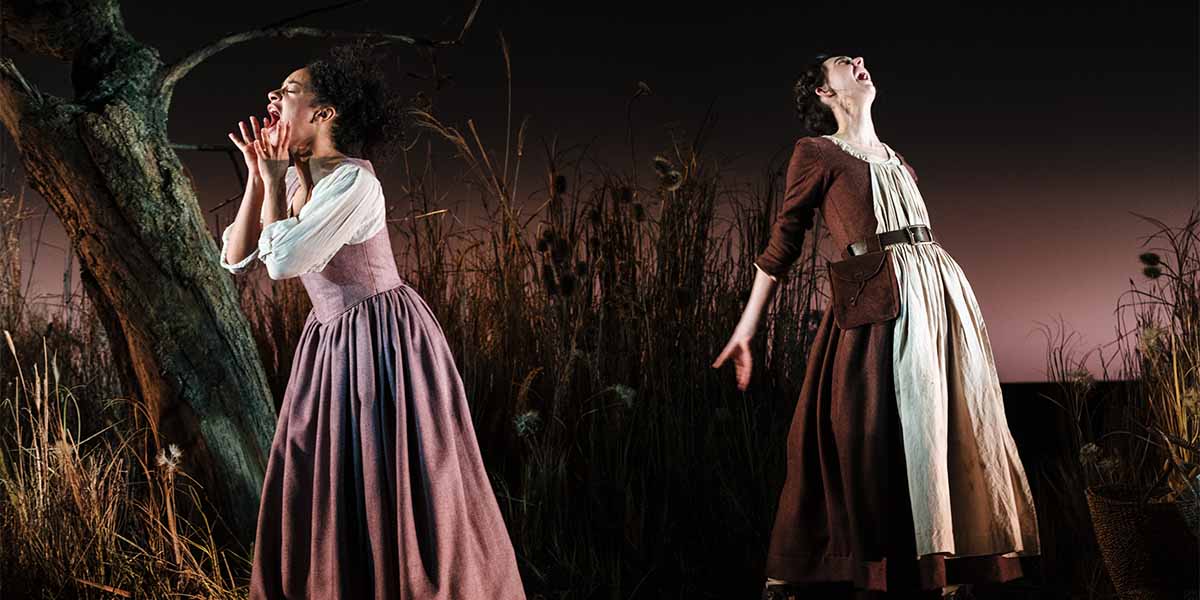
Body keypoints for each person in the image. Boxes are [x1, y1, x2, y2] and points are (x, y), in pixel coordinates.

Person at [712, 53, 1041, 599]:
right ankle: (808, 570)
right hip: (876, 304)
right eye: (844, 62)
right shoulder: (816, 152)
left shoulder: (899, 162)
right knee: (854, 431)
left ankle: (944, 565)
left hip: (937, 301)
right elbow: (782, 243)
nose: (860, 60)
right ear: (824, 93)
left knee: (941, 429)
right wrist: (746, 329)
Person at [219, 42, 526, 600]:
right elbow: (237, 256)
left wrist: (275, 181)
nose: (273, 97)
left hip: (383, 339)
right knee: (330, 470)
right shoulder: (292, 184)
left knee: (396, 469)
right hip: (330, 342)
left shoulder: (353, 183)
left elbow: (283, 263)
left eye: (288, 91)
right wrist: (260, 178)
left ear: (323, 113)